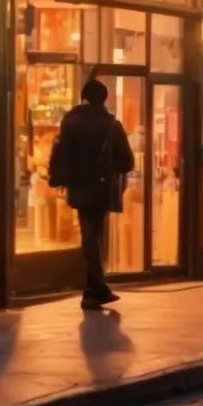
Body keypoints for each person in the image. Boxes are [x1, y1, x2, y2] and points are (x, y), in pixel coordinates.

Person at [48, 80, 134, 310]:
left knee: (90, 235)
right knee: (93, 236)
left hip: (77, 186)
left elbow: (61, 151)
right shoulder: (111, 124)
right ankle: (96, 289)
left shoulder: (71, 120)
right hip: (101, 187)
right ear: (104, 98)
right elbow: (127, 162)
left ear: (84, 96)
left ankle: (93, 289)